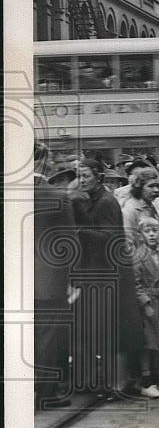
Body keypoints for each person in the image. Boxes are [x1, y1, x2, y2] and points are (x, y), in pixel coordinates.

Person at [72, 158, 144, 397]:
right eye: (79, 176)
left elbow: (109, 237)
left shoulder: (106, 201)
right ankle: (108, 381)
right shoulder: (90, 200)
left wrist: (78, 231)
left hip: (110, 275)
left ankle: (117, 382)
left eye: (86, 176)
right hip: (97, 273)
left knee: (114, 328)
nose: (81, 180)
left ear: (98, 176)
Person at [33, 142, 77, 408]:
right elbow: (69, 242)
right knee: (48, 336)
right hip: (50, 279)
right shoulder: (57, 196)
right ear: (40, 161)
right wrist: (72, 280)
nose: (51, 165)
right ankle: (45, 394)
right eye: (48, 160)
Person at [132, 216, 159, 398]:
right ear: (140, 235)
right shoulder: (137, 256)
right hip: (149, 305)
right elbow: (136, 284)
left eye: (154, 231)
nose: (151, 235)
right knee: (149, 345)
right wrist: (145, 304)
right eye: (147, 231)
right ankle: (146, 381)